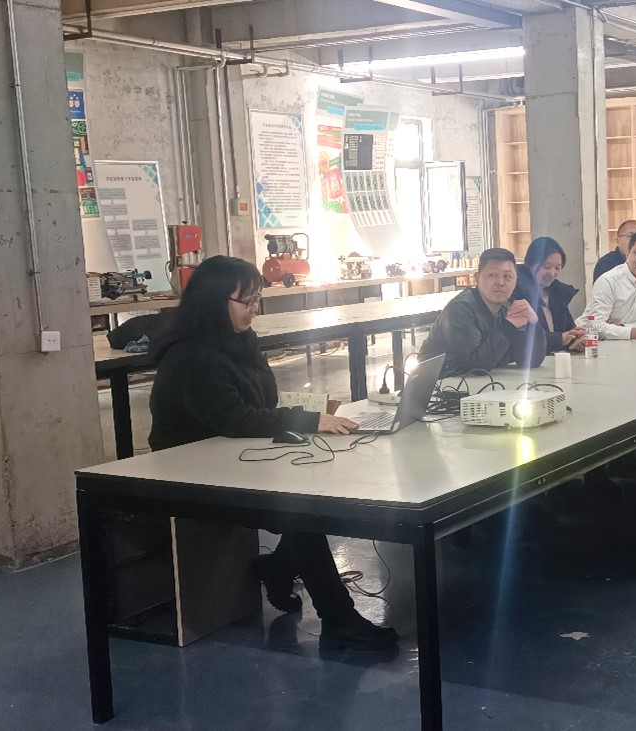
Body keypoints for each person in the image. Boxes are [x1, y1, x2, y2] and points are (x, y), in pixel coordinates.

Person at [148, 256, 398, 651]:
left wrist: (304, 420)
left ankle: (279, 568)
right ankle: (337, 617)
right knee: (299, 511)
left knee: (311, 492)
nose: (254, 310)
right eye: (246, 301)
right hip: (190, 471)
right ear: (214, 300)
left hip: (234, 456)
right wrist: (309, 420)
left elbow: (261, 405)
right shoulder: (191, 356)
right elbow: (236, 418)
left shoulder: (241, 341)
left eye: (257, 300)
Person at [419, 247, 547, 376]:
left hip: (480, 384)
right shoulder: (459, 310)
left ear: (515, 281)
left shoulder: (507, 308)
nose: (500, 283)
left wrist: (534, 324)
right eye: (492, 275)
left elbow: (529, 360)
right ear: (477, 278)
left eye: (507, 276)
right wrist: (508, 327)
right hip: (438, 385)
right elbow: (475, 364)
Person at [583, 230, 636, 341]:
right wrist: (634, 332)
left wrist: (624, 328)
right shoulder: (608, 281)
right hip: (591, 344)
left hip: (629, 343)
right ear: (628, 254)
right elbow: (595, 326)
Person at [513, 236, 586, 353]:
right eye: (546, 267)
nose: (552, 273)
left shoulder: (558, 293)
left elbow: (568, 331)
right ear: (530, 264)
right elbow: (521, 339)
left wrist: (576, 340)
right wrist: (559, 339)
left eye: (557, 268)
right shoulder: (516, 292)